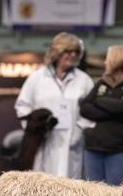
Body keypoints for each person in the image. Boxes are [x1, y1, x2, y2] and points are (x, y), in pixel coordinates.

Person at [15, 32, 94, 178]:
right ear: (56, 53)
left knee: (70, 192)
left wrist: (79, 129)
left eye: (76, 52)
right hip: (43, 143)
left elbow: (92, 111)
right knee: (43, 189)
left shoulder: (84, 81)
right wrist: (34, 129)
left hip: (71, 146)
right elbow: (22, 106)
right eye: (68, 51)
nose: (72, 55)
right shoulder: (37, 78)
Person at [79, 45, 123, 185]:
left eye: (107, 59)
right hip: (93, 148)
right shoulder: (102, 83)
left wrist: (99, 101)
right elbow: (84, 108)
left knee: (115, 195)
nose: (105, 63)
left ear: (117, 60)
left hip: (119, 150)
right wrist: (114, 108)